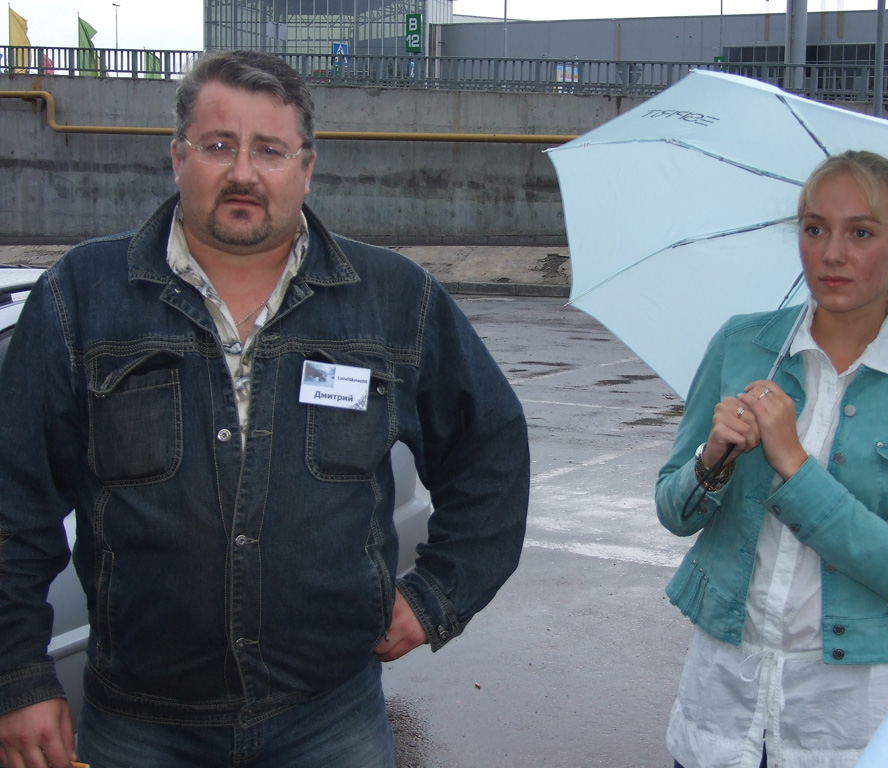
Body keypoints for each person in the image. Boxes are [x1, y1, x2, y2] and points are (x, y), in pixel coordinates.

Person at [0, 50, 530, 768]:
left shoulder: (394, 299)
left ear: (305, 168)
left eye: (270, 150)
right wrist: (19, 673)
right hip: (139, 727)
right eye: (218, 145)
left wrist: (438, 594)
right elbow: (13, 501)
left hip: (331, 723)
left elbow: (489, 448)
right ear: (177, 157)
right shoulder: (79, 296)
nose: (243, 172)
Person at [655, 150, 888, 768]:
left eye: (861, 233)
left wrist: (796, 466)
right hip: (722, 702)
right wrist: (712, 458)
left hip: (846, 719)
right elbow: (674, 511)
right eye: (814, 228)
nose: (832, 254)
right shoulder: (743, 344)